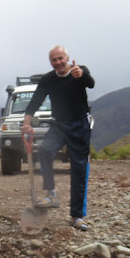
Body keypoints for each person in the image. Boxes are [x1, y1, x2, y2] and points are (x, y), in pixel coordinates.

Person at [20, 45, 95, 231]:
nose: (58, 62)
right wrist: (26, 123)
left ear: (67, 58)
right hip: (59, 123)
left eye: (60, 58)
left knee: (79, 167)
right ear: (50, 62)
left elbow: (91, 83)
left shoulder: (80, 71)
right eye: (54, 60)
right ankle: (51, 193)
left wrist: (81, 76)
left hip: (79, 124)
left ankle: (77, 216)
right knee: (45, 150)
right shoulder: (48, 79)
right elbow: (35, 101)